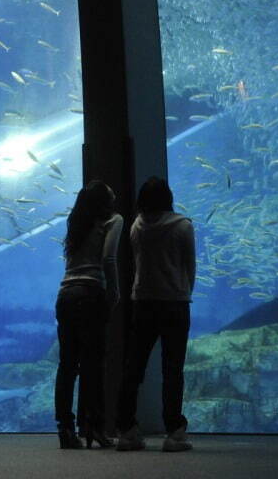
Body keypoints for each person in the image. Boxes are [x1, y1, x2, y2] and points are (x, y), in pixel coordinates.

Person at [115, 177, 195, 454]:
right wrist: (184, 291)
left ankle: (126, 429)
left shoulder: (136, 226)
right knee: (173, 370)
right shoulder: (183, 225)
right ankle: (174, 432)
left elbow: (137, 261)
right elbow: (190, 266)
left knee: (133, 367)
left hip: (143, 303)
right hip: (175, 303)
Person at [55, 179, 122, 450]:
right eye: (111, 192)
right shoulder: (114, 220)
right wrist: (114, 291)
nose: (115, 195)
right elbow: (108, 258)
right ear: (105, 200)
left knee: (67, 365)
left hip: (65, 295)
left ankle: (66, 428)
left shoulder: (76, 223)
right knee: (93, 365)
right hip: (91, 294)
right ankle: (95, 427)